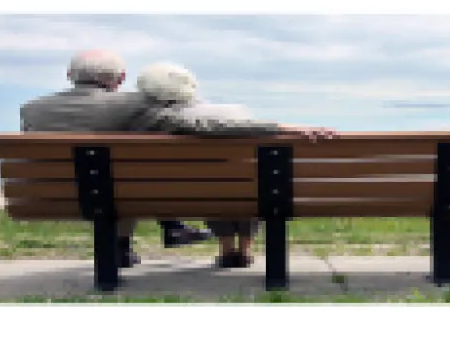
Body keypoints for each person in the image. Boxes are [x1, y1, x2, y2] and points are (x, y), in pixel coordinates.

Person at [18, 50, 336, 268]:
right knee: (121, 179)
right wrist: (284, 128)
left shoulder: (31, 108)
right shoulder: (132, 105)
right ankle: (147, 237)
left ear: (70, 75)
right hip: (123, 195)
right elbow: (204, 126)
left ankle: (121, 247)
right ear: (119, 78)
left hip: (50, 195)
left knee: (112, 179)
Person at [130, 61, 331, 268]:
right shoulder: (235, 111)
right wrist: (285, 127)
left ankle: (227, 248)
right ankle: (244, 249)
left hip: (192, 192)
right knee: (246, 180)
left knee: (211, 183)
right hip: (250, 188)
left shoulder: (155, 120)